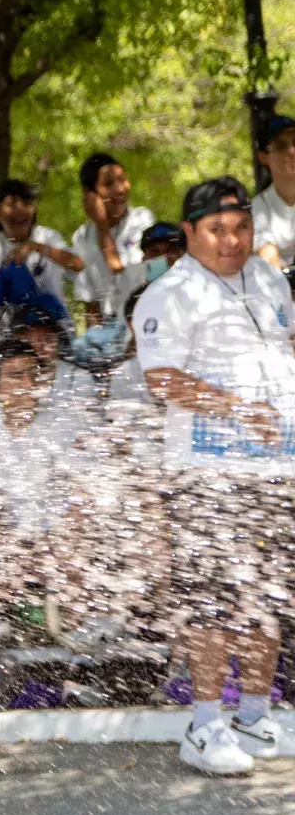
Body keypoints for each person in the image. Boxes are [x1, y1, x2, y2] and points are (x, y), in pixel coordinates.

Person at [132, 176, 295, 774]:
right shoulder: (169, 292)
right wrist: (237, 408)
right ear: (191, 234)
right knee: (212, 603)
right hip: (208, 473)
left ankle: (254, 715)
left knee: (266, 595)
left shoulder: (271, 278)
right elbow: (162, 379)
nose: (232, 240)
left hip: (279, 467)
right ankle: (204, 725)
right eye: (218, 230)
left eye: (242, 227)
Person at [0, 179, 83, 302]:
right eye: (11, 204)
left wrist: (36, 247)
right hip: (5, 323)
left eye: (26, 204)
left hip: (53, 321)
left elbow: (78, 265)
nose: (20, 209)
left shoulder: (47, 236)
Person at [72, 152, 156, 327]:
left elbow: (120, 269)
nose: (120, 189)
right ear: (90, 194)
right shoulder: (82, 237)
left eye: (123, 179)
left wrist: (103, 227)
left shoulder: (142, 220)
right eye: (109, 184)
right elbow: (91, 304)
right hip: (109, 331)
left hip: (144, 321)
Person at [251, 114, 295, 269]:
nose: (292, 151)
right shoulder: (256, 211)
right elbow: (270, 265)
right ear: (264, 157)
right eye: (281, 146)